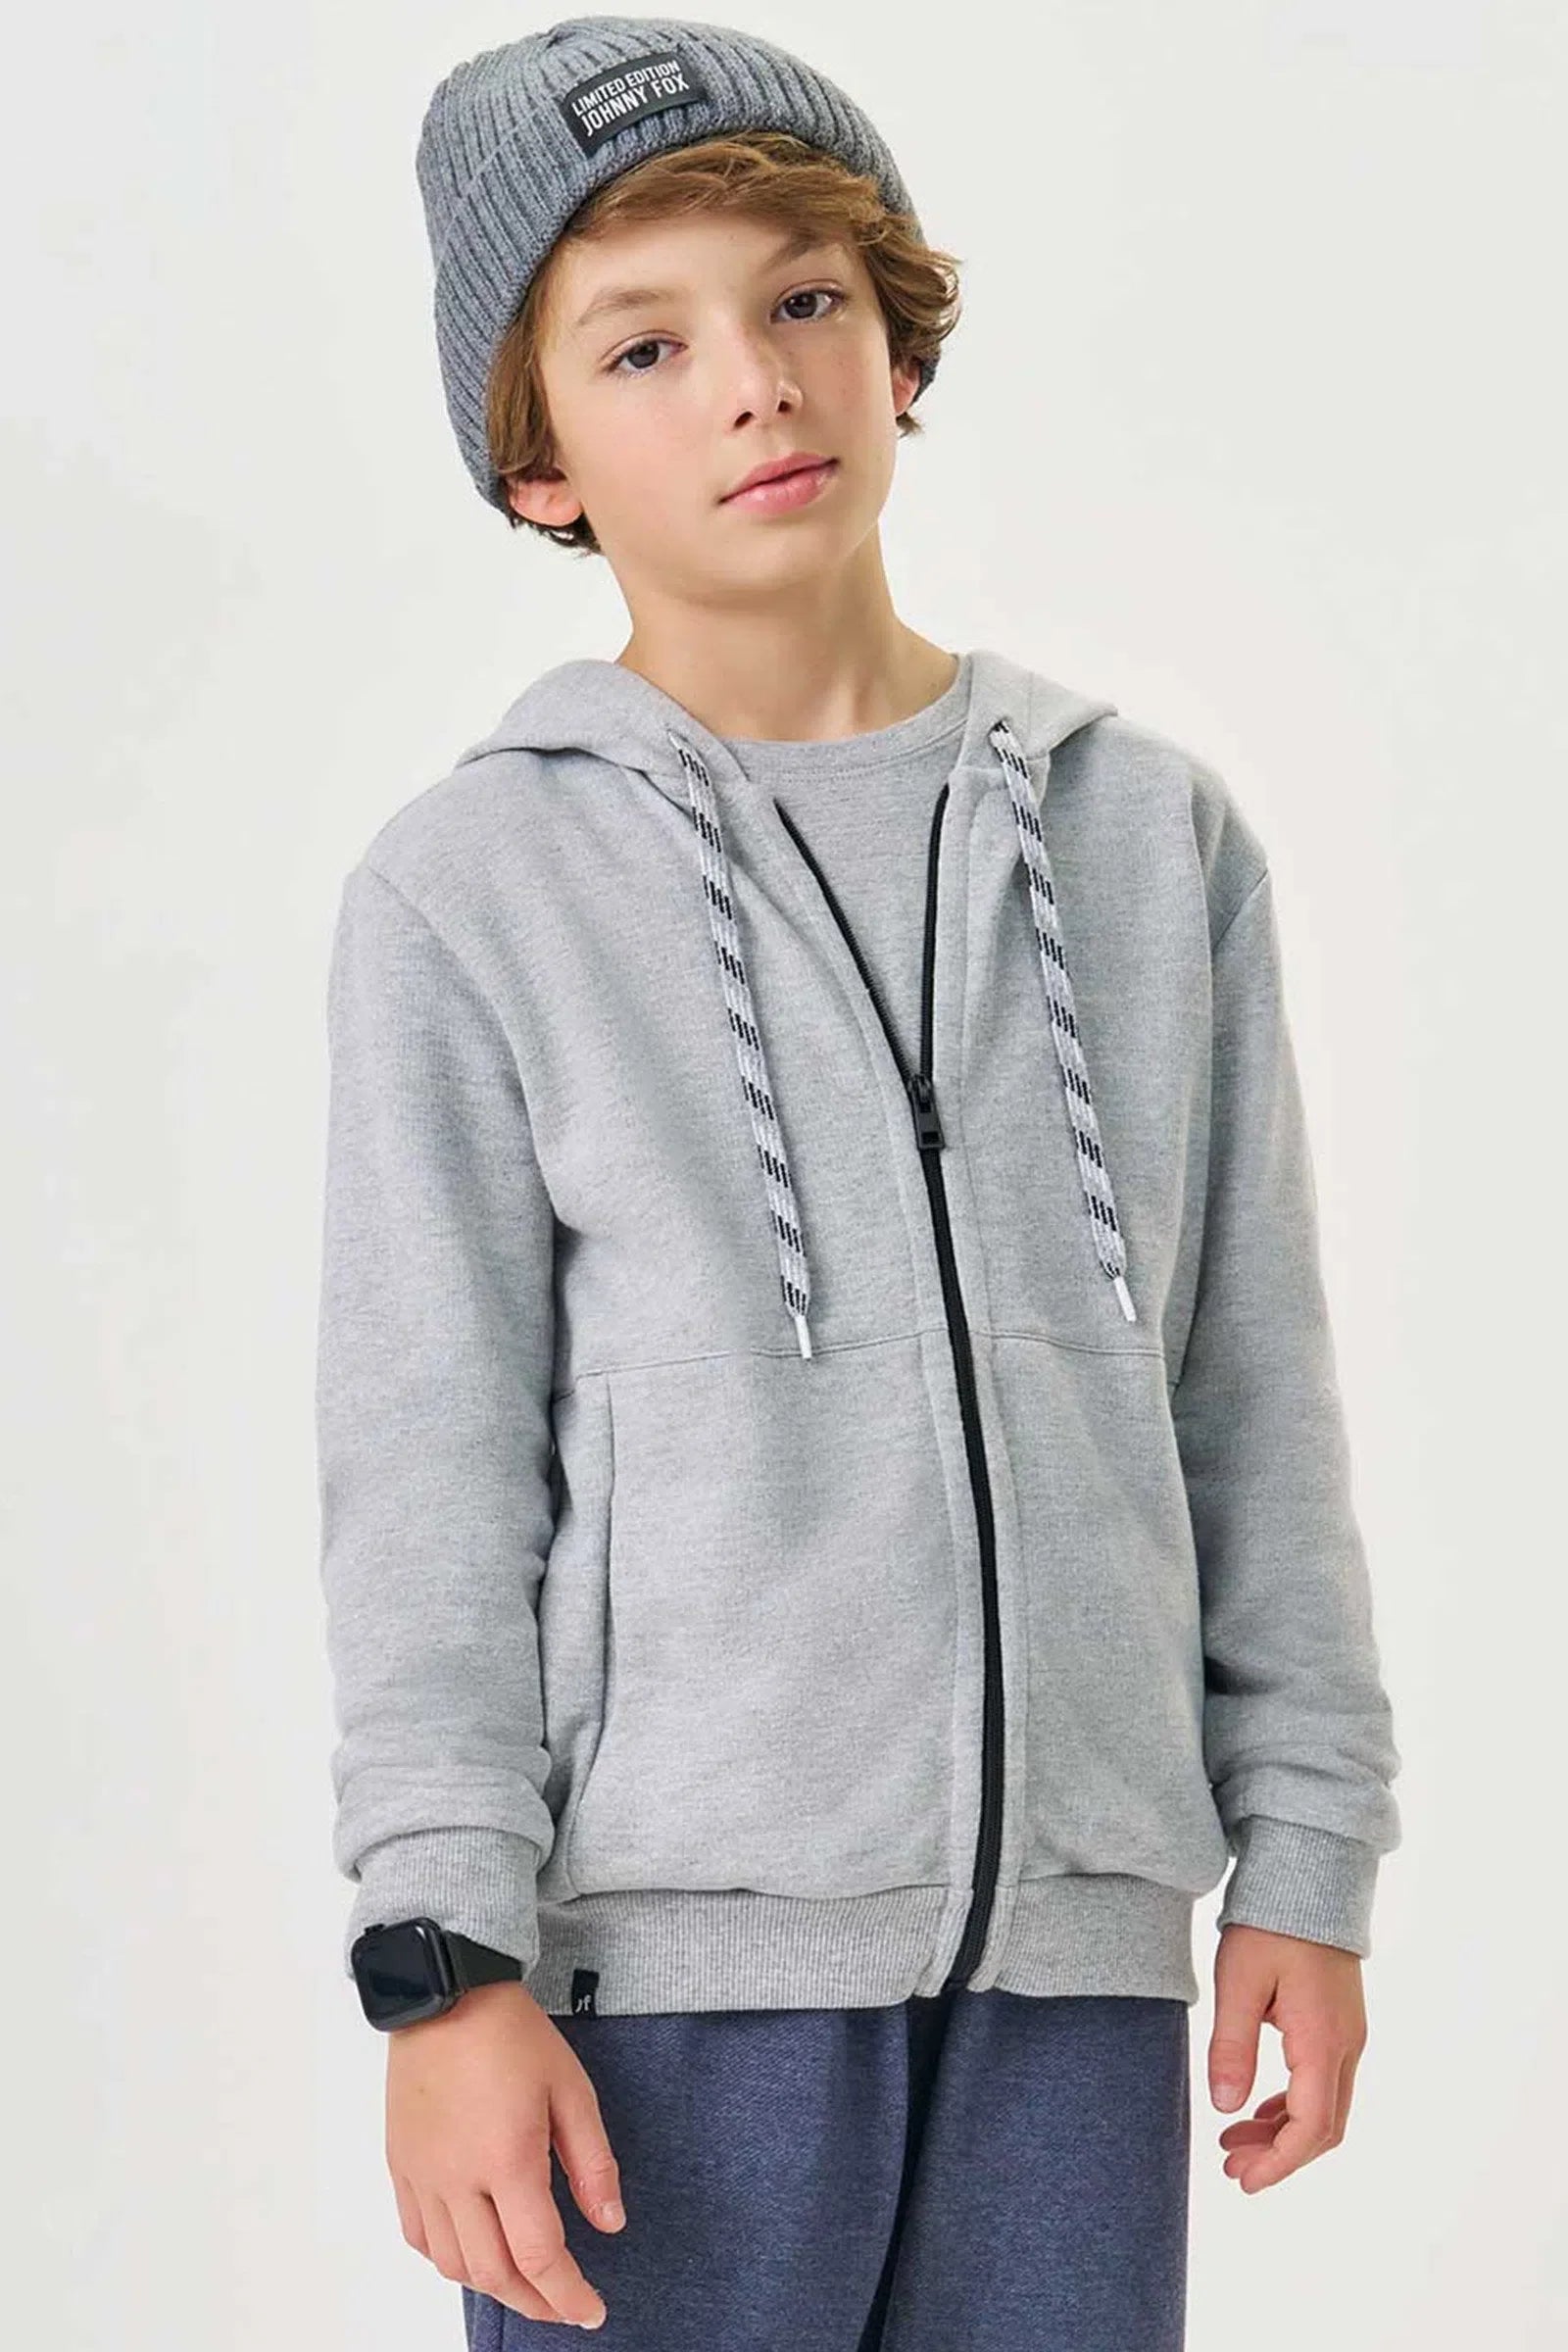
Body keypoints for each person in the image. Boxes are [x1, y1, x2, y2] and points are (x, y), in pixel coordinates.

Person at [314, 19, 1403, 2347]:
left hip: (1077, 1980)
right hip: (655, 2005)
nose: (752, 385)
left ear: (897, 345)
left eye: (803, 299)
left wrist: (1306, 1853)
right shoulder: (474, 893)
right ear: (535, 461)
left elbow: (1246, 1388)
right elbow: (426, 1476)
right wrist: (441, 1965)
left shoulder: (1141, 840)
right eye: (644, 344)